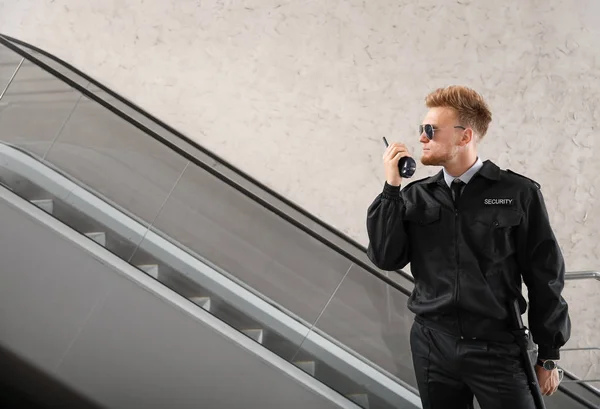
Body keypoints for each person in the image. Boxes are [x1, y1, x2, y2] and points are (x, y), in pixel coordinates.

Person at [366, 85, 571, 409]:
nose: (421, 137)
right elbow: (385, 257)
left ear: (465, 137)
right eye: (422, 129)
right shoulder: (414, 196)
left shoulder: (518, 192)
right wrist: (392, 188)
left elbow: (545, 275)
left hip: (498, 346)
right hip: (432, 343)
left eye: (431, 130)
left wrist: (548, 354)